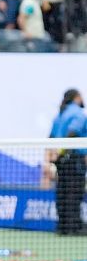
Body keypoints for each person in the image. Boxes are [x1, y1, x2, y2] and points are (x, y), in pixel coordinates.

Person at [49, 89, 87, 235]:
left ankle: (63, 226)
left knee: (62, 191)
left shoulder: (60, 114)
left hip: (61, 160)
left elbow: (51, 136)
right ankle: (72, 227)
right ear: (77, 98)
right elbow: (73, 132)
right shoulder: (78, 113)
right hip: (73, 158)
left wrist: (55, 154)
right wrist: (62, 151)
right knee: (73, 193)